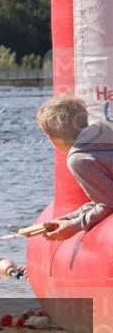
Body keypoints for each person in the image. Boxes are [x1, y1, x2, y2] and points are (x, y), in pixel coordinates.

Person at [34, 95, 113, 242]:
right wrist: (69, 218)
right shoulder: (104, 131)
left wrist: (74, 226)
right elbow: (106, 196)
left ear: (52, 139)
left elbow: (109, 203)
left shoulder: (79, 159)